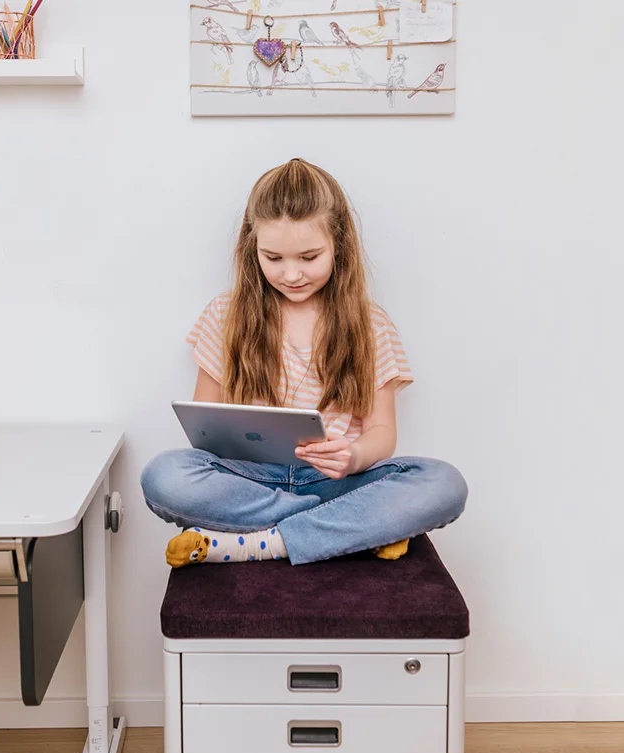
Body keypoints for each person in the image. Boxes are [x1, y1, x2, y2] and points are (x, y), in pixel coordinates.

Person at [141, 158, 467, 568]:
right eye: (273, 258)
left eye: (309, 257)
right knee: (163, 475)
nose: (291, 274)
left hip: (337, 483)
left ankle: (262, 542)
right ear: (251, 248)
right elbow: (205, 428)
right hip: (250, 483)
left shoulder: (371, 323)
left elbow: (382, 431)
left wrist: (354, 456)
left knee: (443, 483)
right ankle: (347, 531)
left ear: (339, 246)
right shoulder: (225, 316)